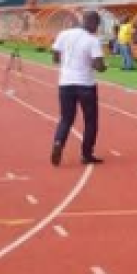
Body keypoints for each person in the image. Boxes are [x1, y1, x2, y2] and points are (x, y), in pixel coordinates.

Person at [50, 11, 107, 167]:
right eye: (97, 25)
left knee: (66, 118)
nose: (97, 28)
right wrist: (103, 67)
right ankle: (86, 154)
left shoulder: (63, 34)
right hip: (85, 84)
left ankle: (58, 142)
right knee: (90, 120)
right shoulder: (92, 40)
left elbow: (55, 57)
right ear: (93, 22)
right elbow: (99, 65)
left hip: (65, 83)